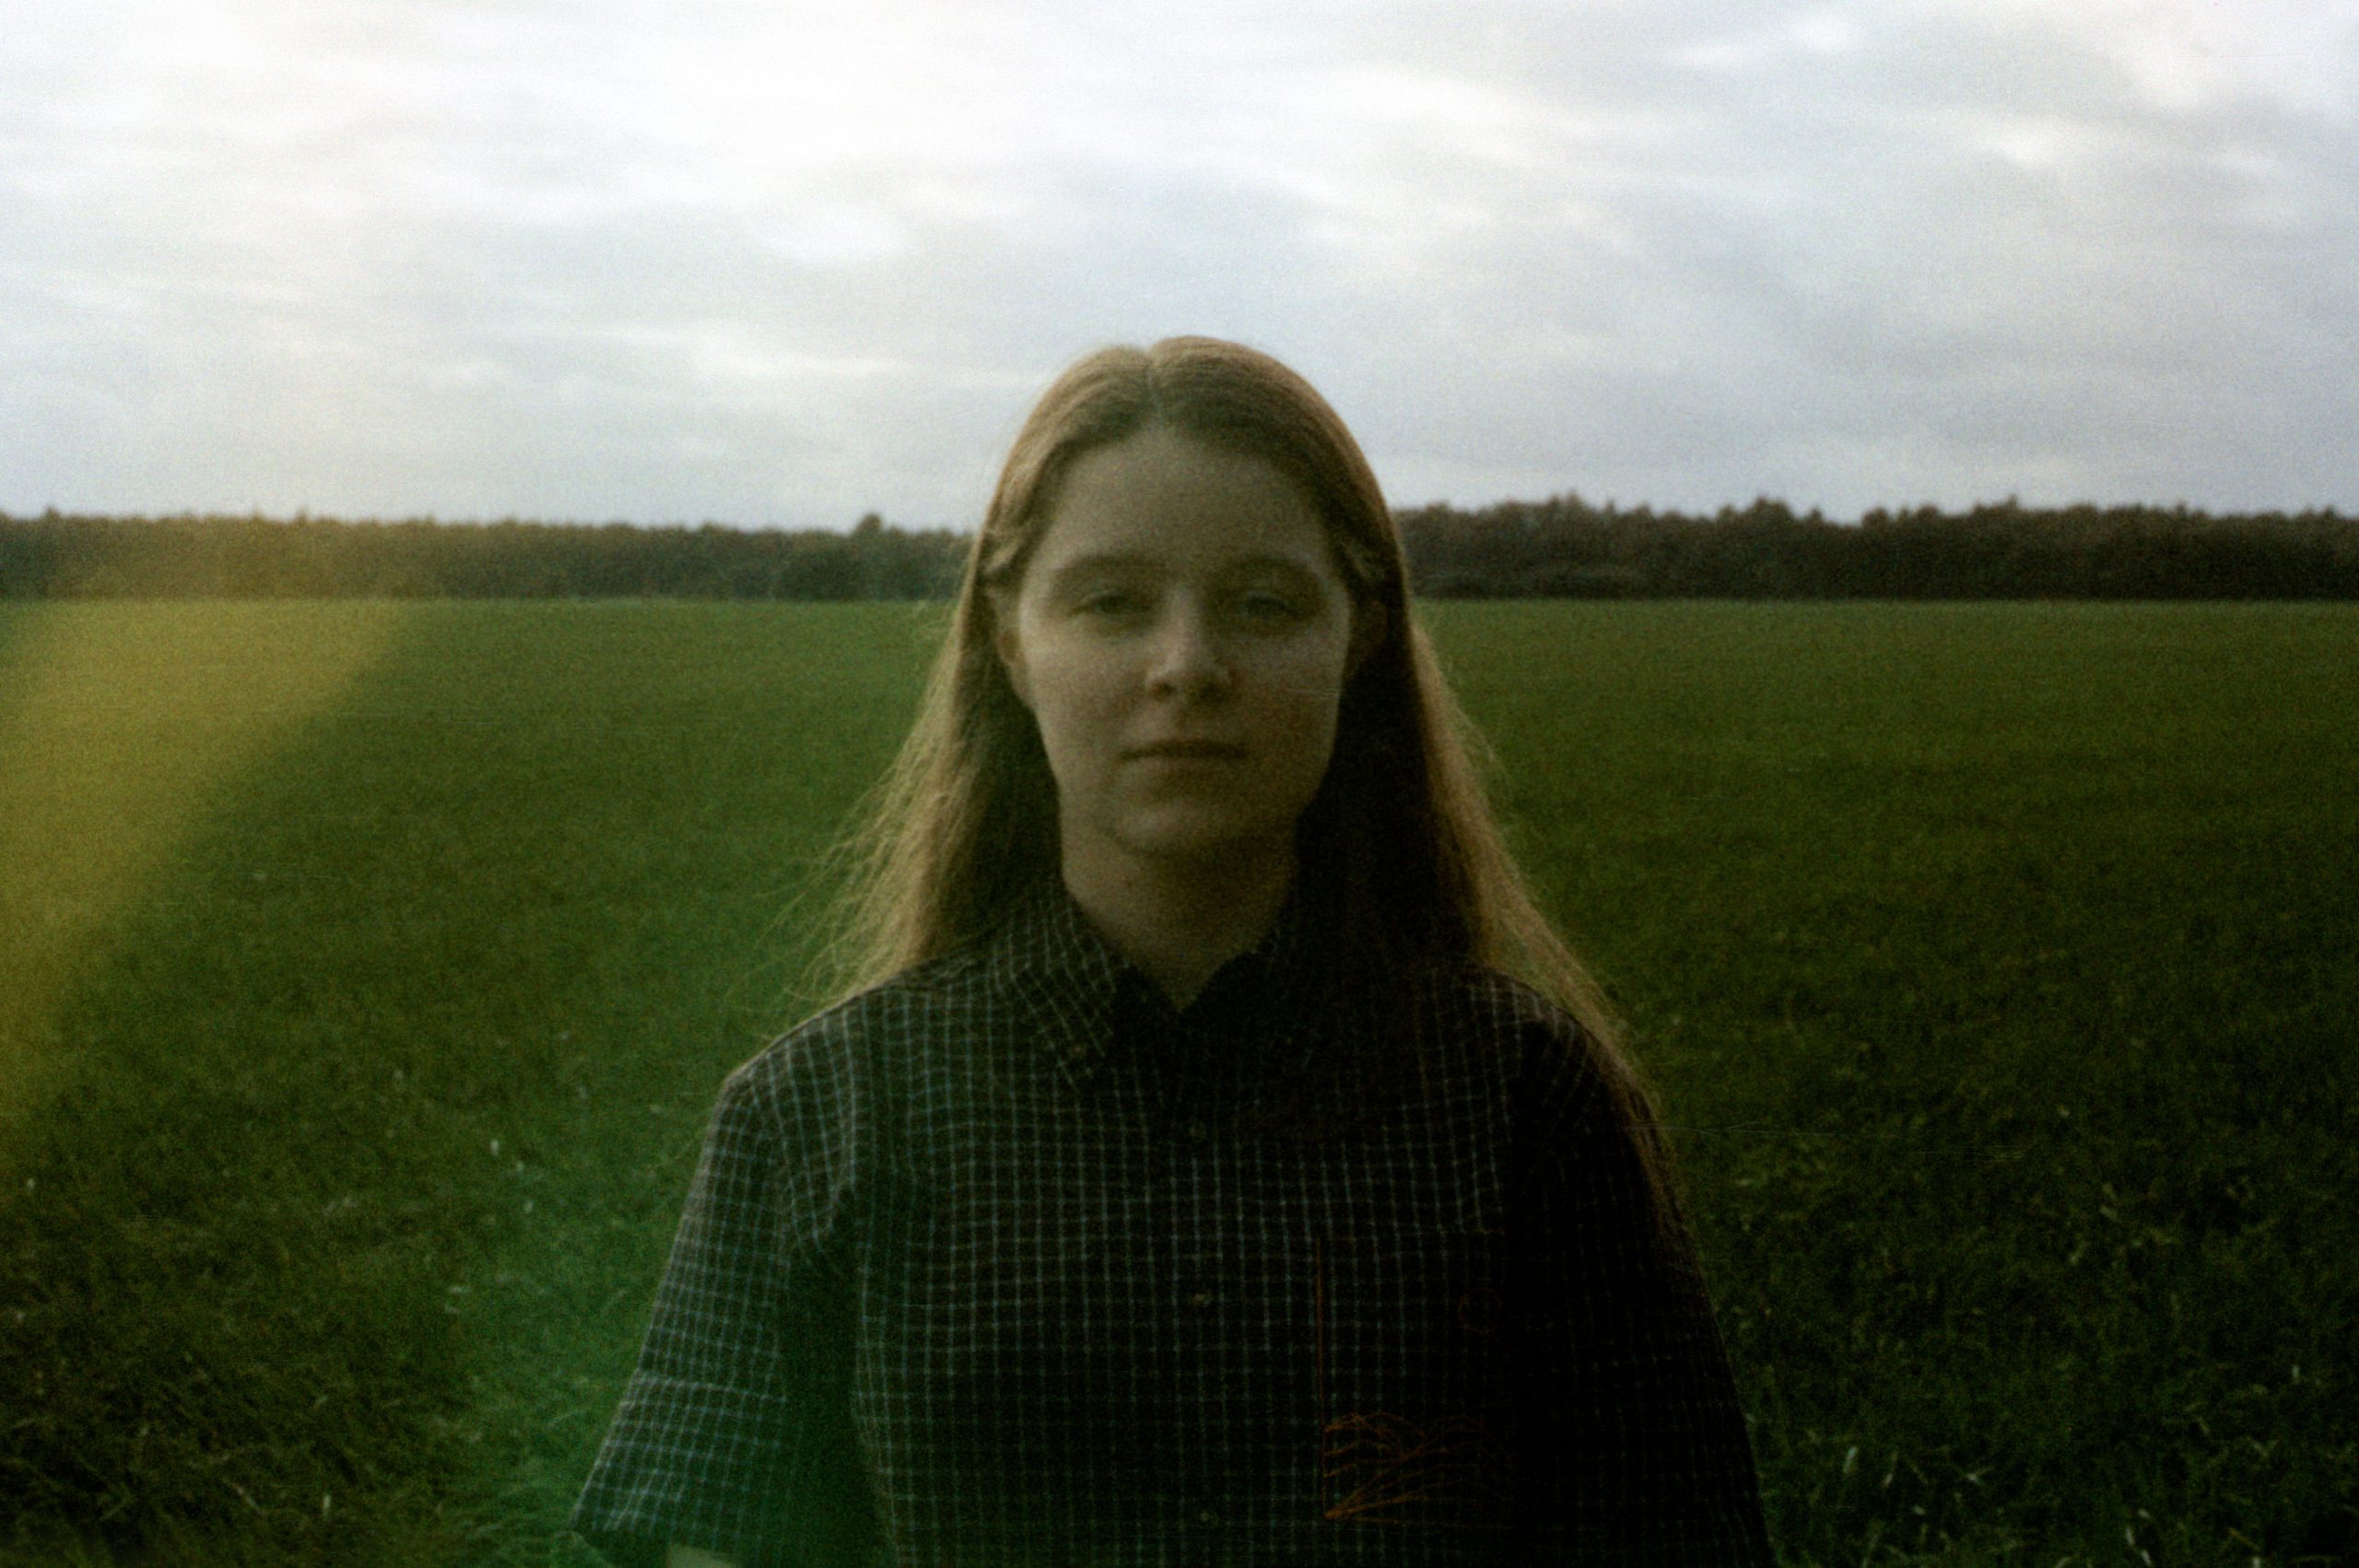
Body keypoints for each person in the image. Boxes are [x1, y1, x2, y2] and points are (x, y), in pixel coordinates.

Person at [572, 336, 1771, 1564]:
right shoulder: (812, 1123)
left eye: (1265, 603)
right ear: (1009, 640)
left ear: (1360, 637)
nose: (1188, 667)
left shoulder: (1525, 1102)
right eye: (1112, 602)